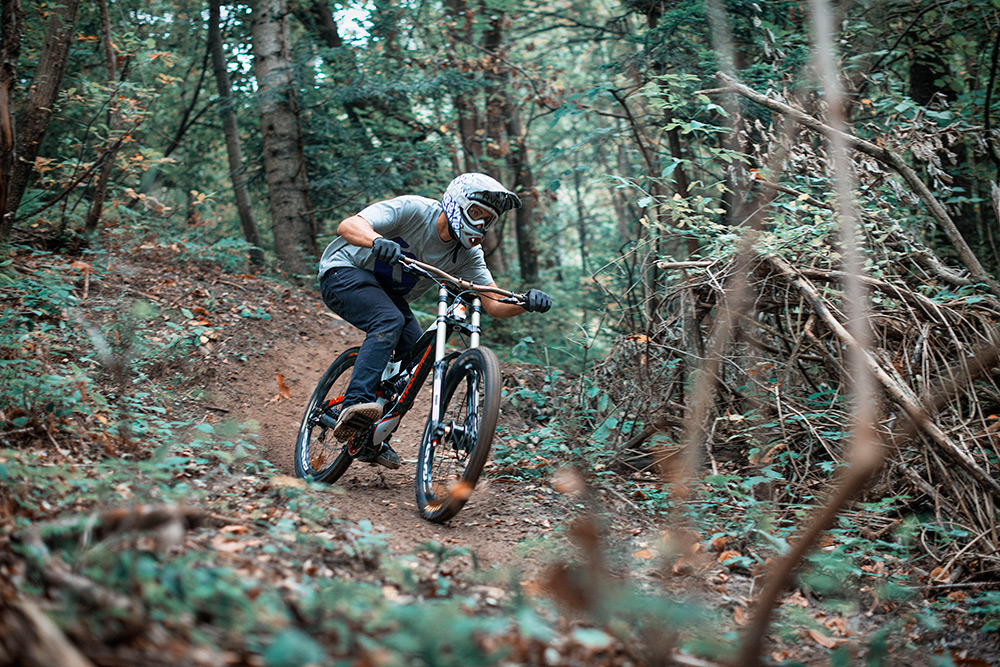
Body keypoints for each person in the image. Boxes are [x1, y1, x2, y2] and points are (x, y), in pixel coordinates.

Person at [317, 173, 553, 467]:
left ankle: (370, 438)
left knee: (415, 358)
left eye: (487, 219)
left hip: (387, 295)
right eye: (476, 213)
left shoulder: (468, 255)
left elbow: (493, 303)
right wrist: (376, 241)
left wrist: (525, 303)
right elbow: (348, 225)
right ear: (457, 203)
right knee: (389, 320)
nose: (480, 224)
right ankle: (354, 404)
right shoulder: (414, 210)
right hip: (344, 271)